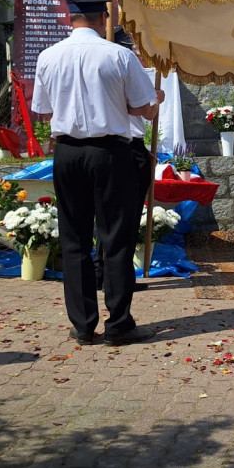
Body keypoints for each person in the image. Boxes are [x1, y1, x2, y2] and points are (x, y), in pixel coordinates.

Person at [31, 0, 163, 346]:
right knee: (116, 238)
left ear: (71, 19)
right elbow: (139, 109)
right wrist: (155, 103)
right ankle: (118, 323)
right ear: (103, 19)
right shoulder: (119, 55)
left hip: (68, 152)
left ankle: (83, 324)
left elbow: (43, 109)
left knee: (73, 238)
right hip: (110, 152)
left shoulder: (48, 56)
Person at [93, 26, 155, 294]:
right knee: (124, 219)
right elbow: (143, 111)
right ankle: (117, 278)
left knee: (107, 216)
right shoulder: (122, 65)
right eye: (131, 48)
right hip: (126, 147)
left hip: (122, 146)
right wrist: (155, 101)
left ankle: (104, 273)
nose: (134, 53)